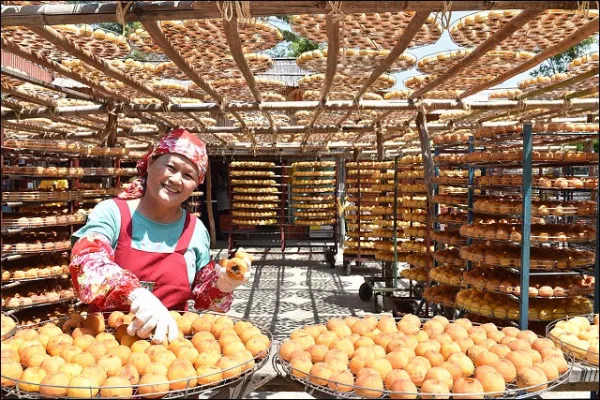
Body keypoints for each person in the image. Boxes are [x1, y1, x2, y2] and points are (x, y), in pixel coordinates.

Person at [69, 128, 251, 344]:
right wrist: (135, 294)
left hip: (168, 348)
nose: (176, 180)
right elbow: (87, 261)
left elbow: (202, 289)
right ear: (150, 163)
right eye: (170, 167)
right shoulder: (112, 213)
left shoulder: (195, 229)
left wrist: (222, 283)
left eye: (188, 175)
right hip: (105, 347)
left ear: (196, 184)